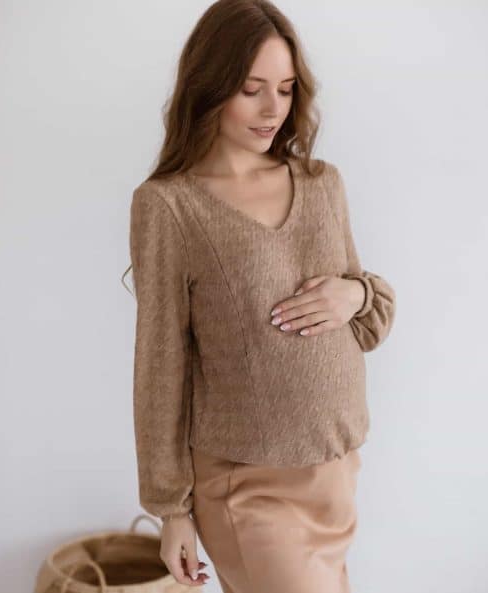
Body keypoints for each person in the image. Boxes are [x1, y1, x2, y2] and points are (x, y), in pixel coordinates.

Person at [122, 1, 396, 591]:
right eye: (251, 89)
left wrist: (355, 294)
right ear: (210, 86)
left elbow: (370, 322)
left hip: (336, 468)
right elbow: (160, 363)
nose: (274, 108)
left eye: (286, 89)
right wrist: (170, 508)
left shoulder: (322, 183)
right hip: (247, 483)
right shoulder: (170, 205)